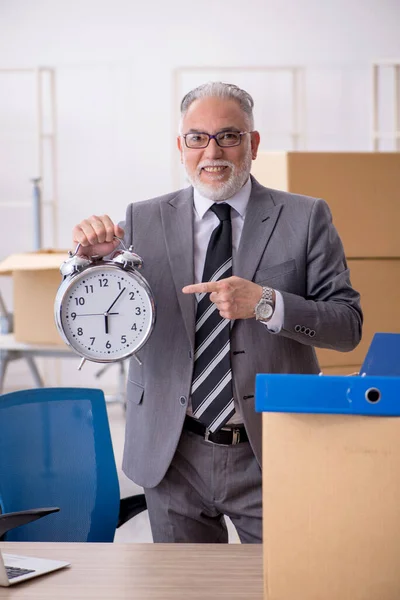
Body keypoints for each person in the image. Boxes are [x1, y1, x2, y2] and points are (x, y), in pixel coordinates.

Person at [72, 81, 363, 544]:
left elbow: (347, 327)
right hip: (173, 452)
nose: (213, 151)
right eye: (197, 137)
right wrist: (94, 264)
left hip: (271, 449)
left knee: (282, 585)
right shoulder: (143, 219)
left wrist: (267, 303)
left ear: (253, 143)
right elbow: (104, 320)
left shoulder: (306, 217)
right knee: (185, 591)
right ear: (180, 146)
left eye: (229, 136)